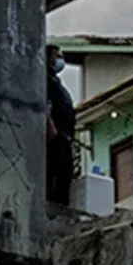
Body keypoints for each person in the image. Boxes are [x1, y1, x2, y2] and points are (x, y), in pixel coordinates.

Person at [46, 44, 76, 204]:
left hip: (65, 135)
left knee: (66, 174)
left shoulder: (55, 80)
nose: (59, 60)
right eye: (56, 56)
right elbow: (45, 104)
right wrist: (51, 127)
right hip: (56, 135)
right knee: (54, 173)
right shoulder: (44, 79)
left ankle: (61, 205)